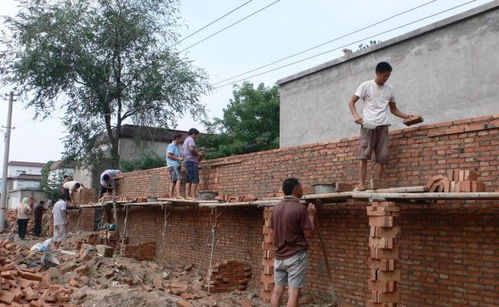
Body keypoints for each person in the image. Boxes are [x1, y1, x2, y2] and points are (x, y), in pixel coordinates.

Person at [348, 61, 419, 190]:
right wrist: (356, 116)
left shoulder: (390, 89)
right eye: (385, 75)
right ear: (378, 73)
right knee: (364, 155)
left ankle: (376, 184)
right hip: (368, 125)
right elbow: (351, 102)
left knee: (381, 157)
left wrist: (407, 116)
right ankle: (362, 184)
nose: (386, 78)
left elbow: (393, 109)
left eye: (388, 76)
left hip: (383, 126)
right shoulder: (366, 86)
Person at [270, 178, 316, 307]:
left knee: (277, 291)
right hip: (296, 256)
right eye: (301, 187)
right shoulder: (300, 208)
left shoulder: (276, 208)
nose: (302, 189)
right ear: (295, 189)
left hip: (279, 257)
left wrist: (278, 250)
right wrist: (311, 215)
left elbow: (273, 234)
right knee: (293, 293)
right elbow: (310, 234)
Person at [182, 128, 204, 199]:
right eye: (196, 135)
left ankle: (188, 195)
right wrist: (198, 154)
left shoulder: (185, 141)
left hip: (187, 161)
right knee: (195, 179)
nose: (196, 137)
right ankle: (193, 196)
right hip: (191, 162)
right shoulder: (191, 139)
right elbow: (191, 149)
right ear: (194, 133)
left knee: (189, 179)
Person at [166, 134, 184, 199]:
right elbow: (168, 155)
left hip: (176, 165)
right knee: (179, 178)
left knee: (174, 181)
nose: (181, 140)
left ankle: (171, 196)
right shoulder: (171, 145)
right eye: (181, 139)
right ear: (177, 138)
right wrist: (178, 158)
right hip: (173, 165)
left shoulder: (177, 146)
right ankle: (178, 195)